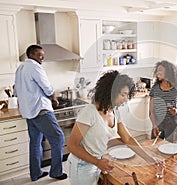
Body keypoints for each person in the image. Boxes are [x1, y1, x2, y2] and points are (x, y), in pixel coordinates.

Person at [67, 70, 157, 185]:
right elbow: (72, 146)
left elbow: (128, 139)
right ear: (110, 92)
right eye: (123, 94)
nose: (125, 99)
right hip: (81, 165)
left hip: (98, 161)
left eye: (127, 95)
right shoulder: (89, 112)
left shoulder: (114, 111)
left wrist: (149, 158)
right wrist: (97, 162)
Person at [14, 45, 67, 181]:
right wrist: (54, 99)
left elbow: (16, 91)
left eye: (43, 54)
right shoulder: (35, 67)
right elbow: (47, 87)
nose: (42, 57)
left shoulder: (20, 68)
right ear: (31, 55)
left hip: (28, 111)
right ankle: (56, 172)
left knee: (35, 142)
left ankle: (36, 173)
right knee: (58, 138)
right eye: (39, 55)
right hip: (40, 110)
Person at [149, 60, 177, 142]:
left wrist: (176, 111)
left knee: (172, 150)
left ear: (168, 73)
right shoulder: (155, 88)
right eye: (157, 70)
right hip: (158, 123)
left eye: (160, 70)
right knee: (154, 149)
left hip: (173, 123)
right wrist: (154, 125)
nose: (158, 73)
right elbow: (151, 112)